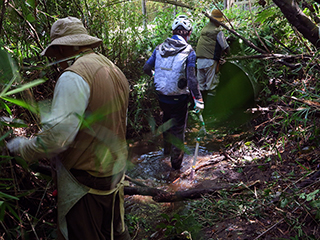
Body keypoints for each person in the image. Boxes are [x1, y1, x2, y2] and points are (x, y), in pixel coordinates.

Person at [7, 17, 131, 240]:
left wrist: (24, 148)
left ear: (64, 47)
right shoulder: (113, 68)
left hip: (86, 184)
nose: (57, 60)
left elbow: (58, 137)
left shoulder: (73, 76)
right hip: (113, 174)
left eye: (56, 53)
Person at [143, 15, 204, 170]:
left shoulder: (159, 48)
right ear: (189, 33)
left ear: (172, 32)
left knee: (166, 121)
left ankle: (166, 152)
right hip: (179, 99)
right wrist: (198, 99)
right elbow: (191, 78)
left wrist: (157, 76)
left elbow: (146, 69)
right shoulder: (189, 51)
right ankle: (175, 169)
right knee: (178, 130)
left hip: (162, 97)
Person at [195, 9, 230, 121]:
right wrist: (230, 53)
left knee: (201, 87)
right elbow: (225, 47)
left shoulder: (204, 29)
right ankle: (209, 114)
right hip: (210, 61)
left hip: (199, 61)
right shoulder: (217, 32)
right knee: (211, 87)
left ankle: (199, 114)